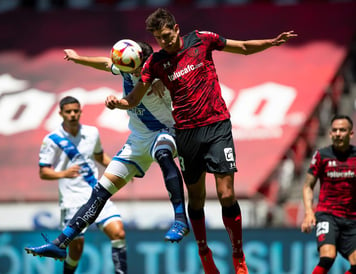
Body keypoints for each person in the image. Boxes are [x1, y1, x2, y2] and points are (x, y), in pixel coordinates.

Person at [104, 8, 298, 274]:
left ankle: (238, 256)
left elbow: (240, 46)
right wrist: (119, 103)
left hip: (217, 125)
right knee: (196, 199)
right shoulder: (155, 63)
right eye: (159, 39)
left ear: (175, 28)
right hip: (185, 133)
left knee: (226, 194)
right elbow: (135, 98)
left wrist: (271, 42)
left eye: (166, 36)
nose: (165, 42)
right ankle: (204, 252)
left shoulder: (201, 39)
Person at [25, 41, 190, 262]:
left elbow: (136, 99)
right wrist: (77, 58)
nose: (136, 71)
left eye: (139, 67)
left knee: (163, 154)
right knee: (100, 191)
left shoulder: (158, 73)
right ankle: (60, 243)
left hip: (165, 131)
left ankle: (180, 219)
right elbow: (105, 63)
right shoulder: (126, 67)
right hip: (138, 140)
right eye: (132, 67)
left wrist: (121, 102)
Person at [26, 96, 127, 274]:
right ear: (61, 113)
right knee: (76, 250)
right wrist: (63, 173)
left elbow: (99, 156)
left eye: (75, 111)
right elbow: (43, 172)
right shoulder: (52, 139)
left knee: (118, 233)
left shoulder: (92, 132)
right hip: (72, 199)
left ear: (80, 111)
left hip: (96, 194)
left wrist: (122, 168)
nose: (72, 115)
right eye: (68, 112)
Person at [301, 114, 356, 274]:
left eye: (342, 130)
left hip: (352, 219)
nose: (338, 133)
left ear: (350, 133)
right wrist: (309, 212)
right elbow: (307, 186)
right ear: (330, 133)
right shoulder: (321, 155)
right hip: (327, 215)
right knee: (327, 257)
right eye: (335, 130)